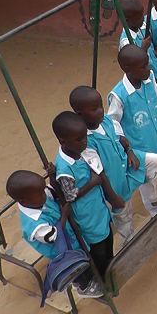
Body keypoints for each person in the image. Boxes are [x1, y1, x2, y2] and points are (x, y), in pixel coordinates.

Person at [70, 86, 157, 241]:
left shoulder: (108, 121)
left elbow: (121, 137)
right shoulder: (85, 141)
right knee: (124, 215)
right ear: (80, 114)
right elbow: (99, 173)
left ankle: (156, 196)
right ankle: (128, 240)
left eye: (100, 106)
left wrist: (130, 151)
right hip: (114, 181)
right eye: (94, 109)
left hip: (126, 163)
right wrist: (113, 197)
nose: (101, 111)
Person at [6, 169, 102, 298]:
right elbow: (53, 237)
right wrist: (64, 215)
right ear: (24, 201)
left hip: (72, 239)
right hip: (62, 252)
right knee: (76, 269)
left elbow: (53, 191)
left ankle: (92, 275)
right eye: (40, 193)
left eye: (43, 189)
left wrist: (52, 177)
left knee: (86, 258)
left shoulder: (38, 197)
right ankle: (84, 288)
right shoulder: (34, 225)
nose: (44, 194)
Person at [52, 112, 122, 287]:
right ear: (63, 141)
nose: (84, 142)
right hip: (87, 216)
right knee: (98, 250)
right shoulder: (65, 168)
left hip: (98, 209)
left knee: (108, 240)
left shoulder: (80, 151)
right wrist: (92, 183)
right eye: (79, 139)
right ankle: (103, 280)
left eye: (84, 137)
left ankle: (110, 268)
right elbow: (70, 196)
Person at [108, 45, 157, 195]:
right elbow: (113, 124)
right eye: (143, 66)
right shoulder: (119, 96)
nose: (149, 69)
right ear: (127, 68)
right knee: (152, 188)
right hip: (144, 149)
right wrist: (128, 150)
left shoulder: (149, 79)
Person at [118, 0, 157, 105]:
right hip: (145, 78)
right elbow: (134, 65)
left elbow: (152, 49)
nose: (143, 20)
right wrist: (143, 48)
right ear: (127, 20)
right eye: (139, 18)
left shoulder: (142, 28)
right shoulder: (126, 42)